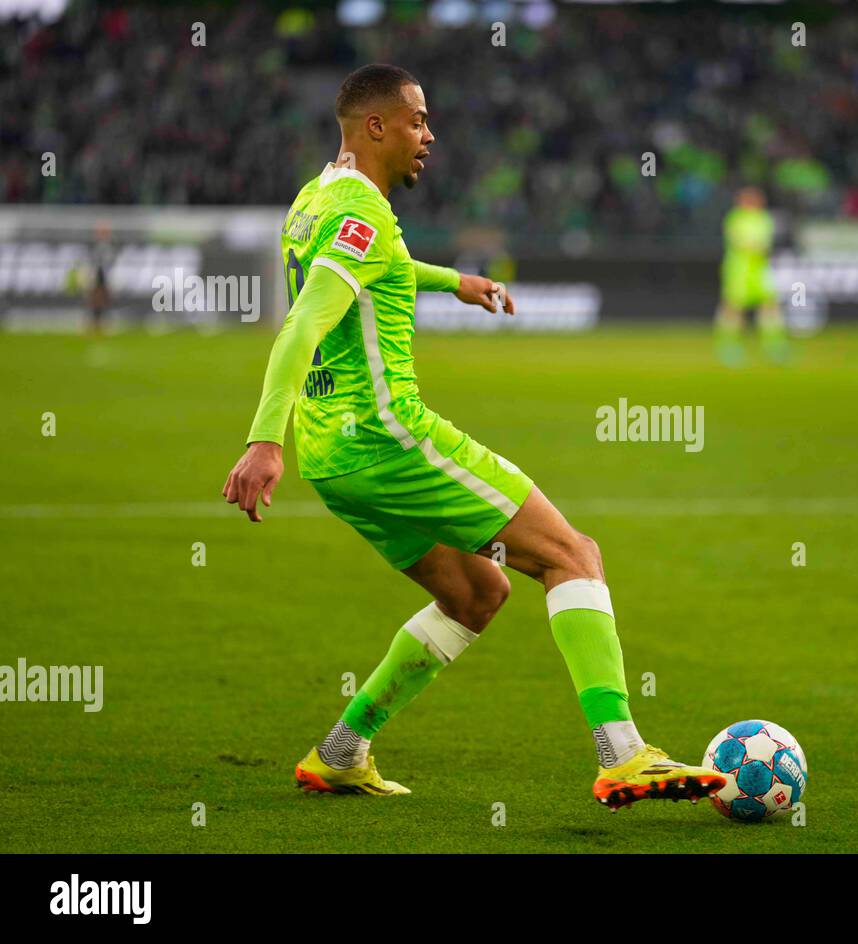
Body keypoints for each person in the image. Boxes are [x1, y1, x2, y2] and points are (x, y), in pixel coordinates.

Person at [221, 64, 723, 811]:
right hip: (387, 435)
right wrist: (264, 440)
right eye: (419, 121)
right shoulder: (361, 208)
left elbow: (371, 266)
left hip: (333, 454)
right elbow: (303, 323)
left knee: (477, 593)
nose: (430, 136)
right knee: (571, 554)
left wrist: (453, 279)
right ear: (377, 126)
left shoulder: (314, 198)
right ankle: (622, 753)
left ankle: (341, 751)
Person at [715, 186, 788, 365]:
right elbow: (741, 242)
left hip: (760, 270)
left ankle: (774, 345)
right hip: (739, 269)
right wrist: (755, 247)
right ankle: (728, 346)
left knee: (770, 305)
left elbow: (766, 243)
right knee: (733, 307)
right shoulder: (735, 218)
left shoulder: (764, 218)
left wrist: (759, 248)